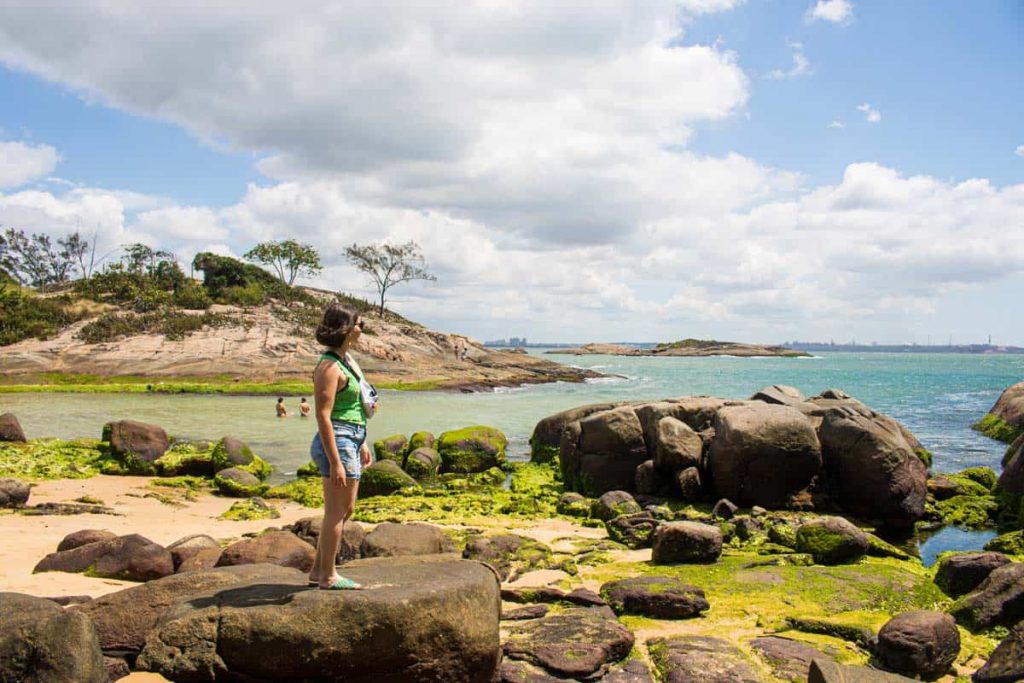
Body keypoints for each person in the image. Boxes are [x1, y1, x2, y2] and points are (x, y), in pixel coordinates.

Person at [307, 302, 372, 590]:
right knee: (336, 511)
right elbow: (324, 415)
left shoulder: (346, 361)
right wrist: (335, 461)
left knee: (346, 510)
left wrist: (363, 442)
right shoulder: (329, 366)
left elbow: (354, 407)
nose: (361, 329)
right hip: (338, 440)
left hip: (352, 437)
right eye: (358, 324)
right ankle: (329, 576)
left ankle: (317, 571)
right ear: (345, 329)